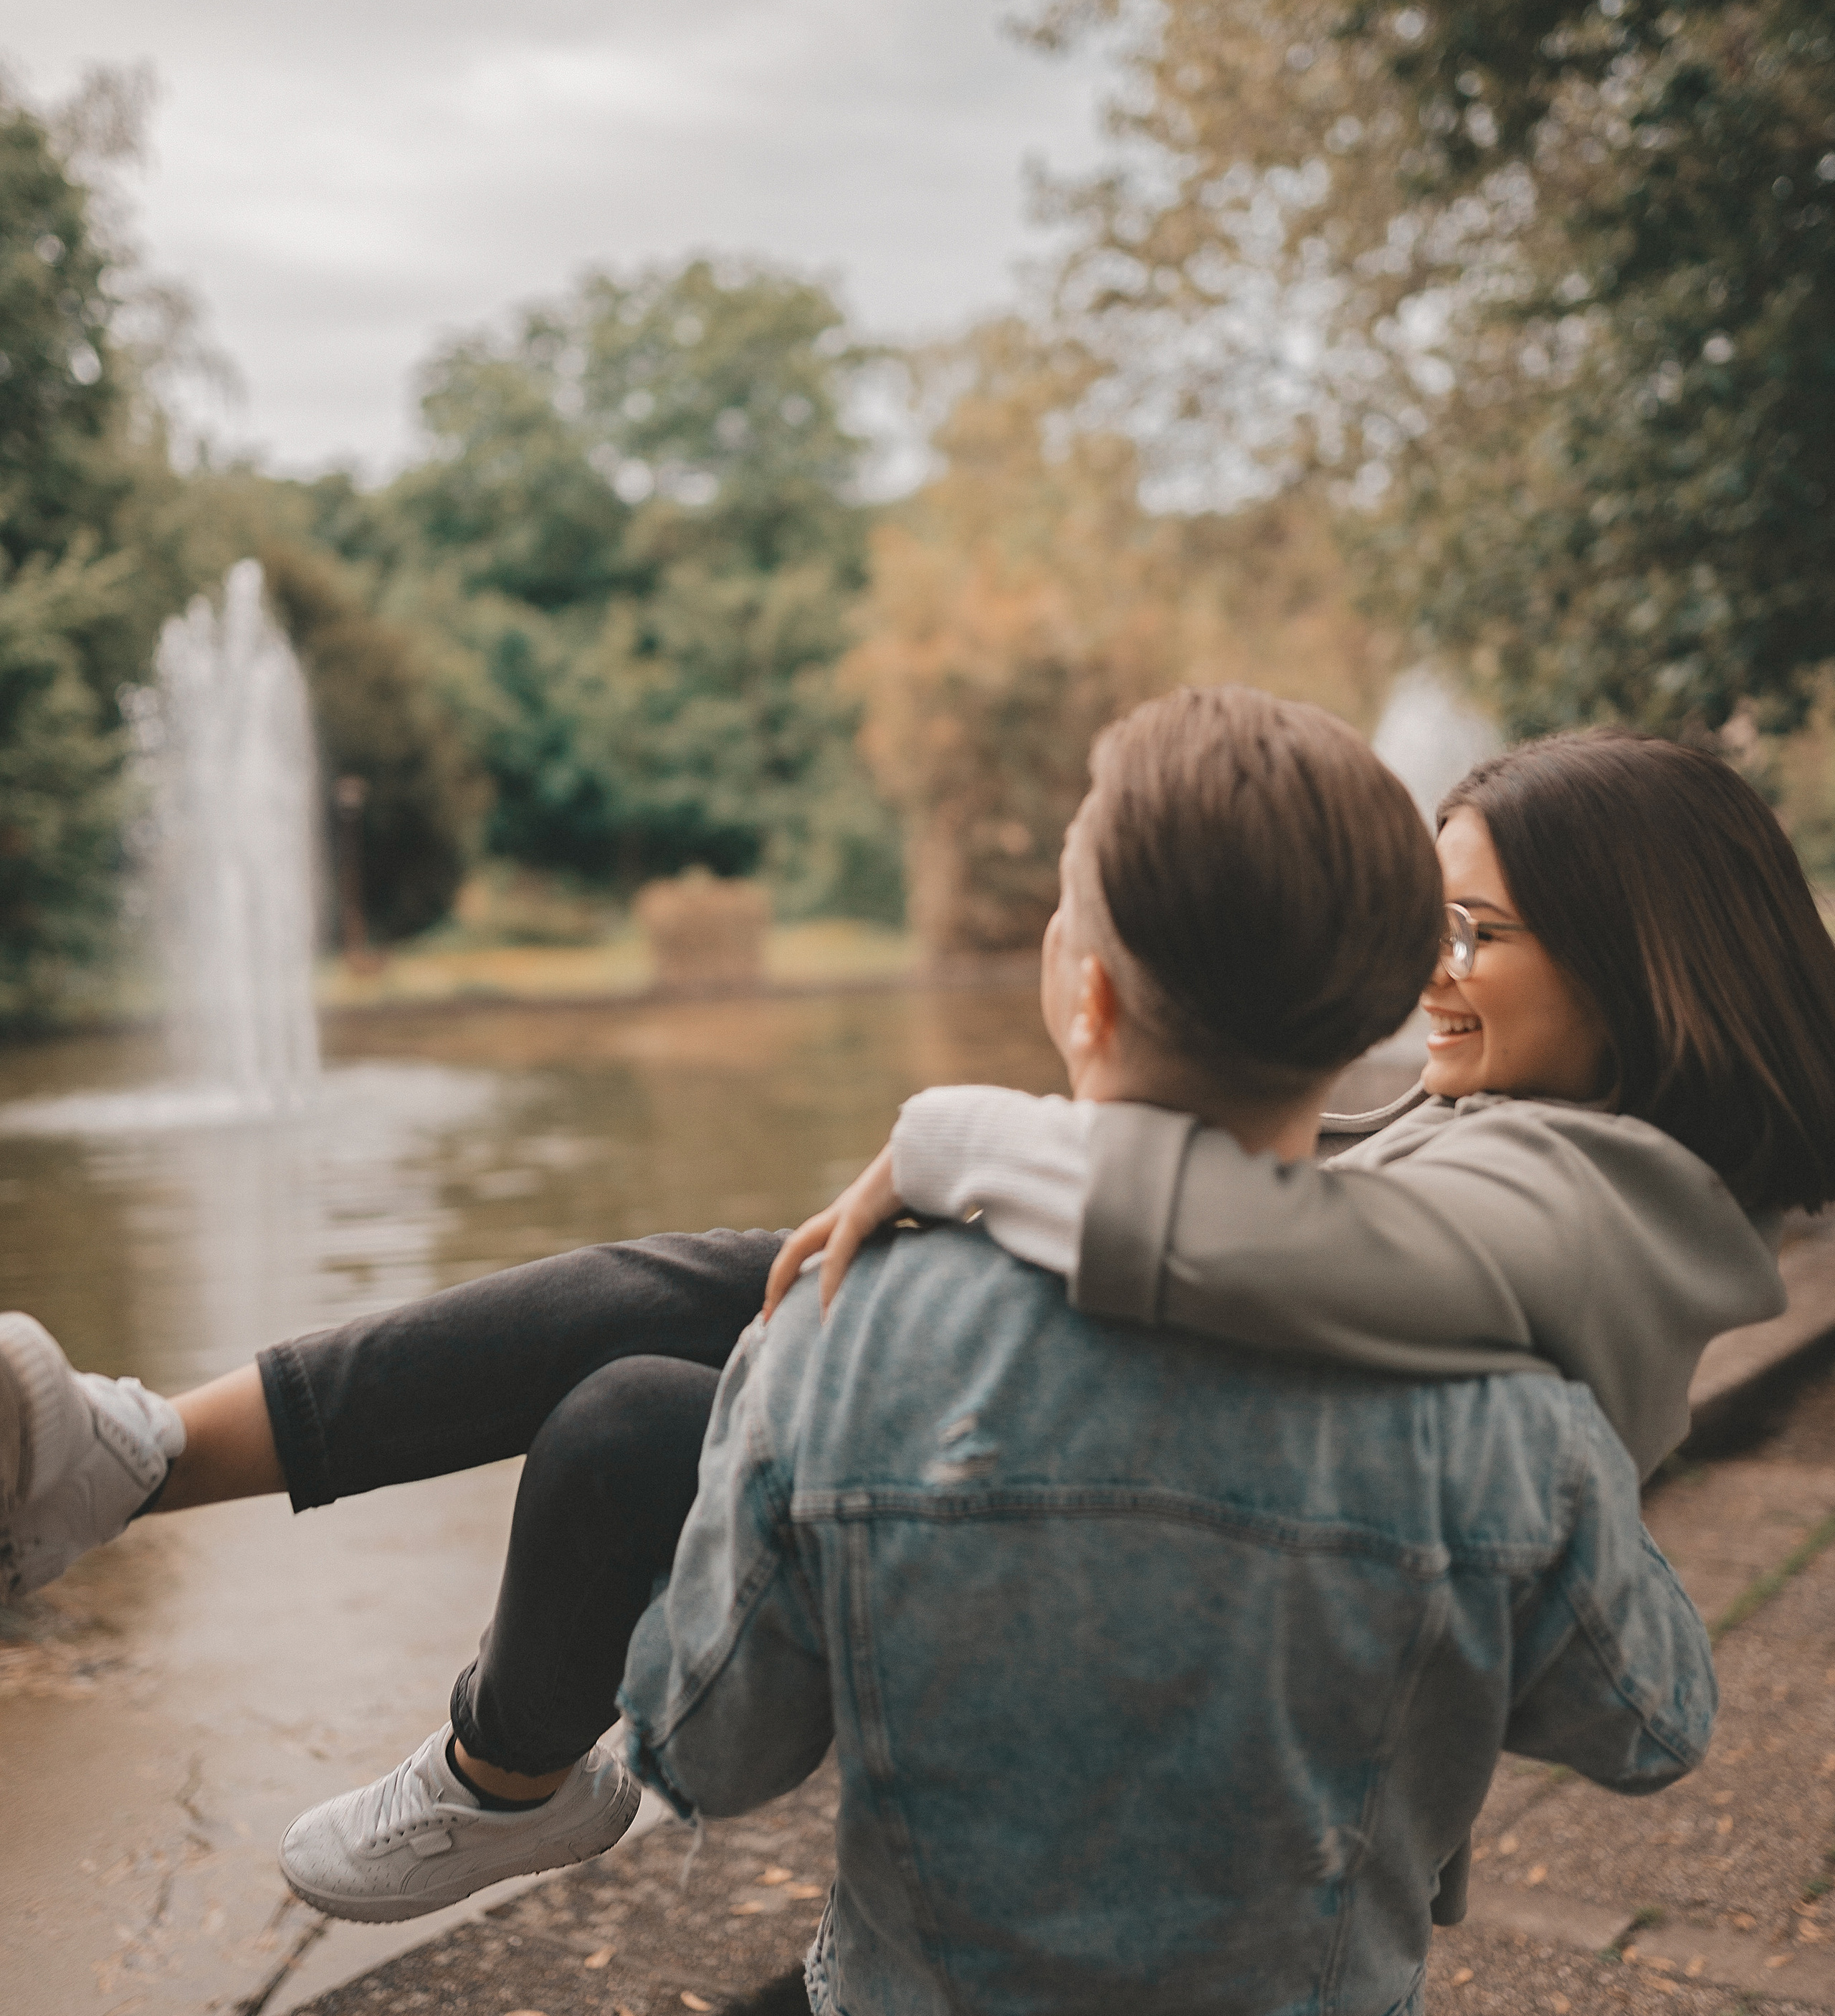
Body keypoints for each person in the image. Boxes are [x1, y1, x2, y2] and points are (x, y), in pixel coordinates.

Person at [0, 718, 1829, 1920]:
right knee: (704, 1277)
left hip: (1209, 1525)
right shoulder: (1540, 1129)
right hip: (1173, 1429)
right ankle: (132, 1453)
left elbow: (1276, 1257)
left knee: (648, 1411)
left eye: (1474, 931)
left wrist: (951, 1135)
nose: (1433, 972)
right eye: (1430, 922)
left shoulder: (1606, 1201)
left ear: (1641, 957)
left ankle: (513, 1768)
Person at [614, 684, 1717, 2016]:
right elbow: (1646, 1725)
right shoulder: (1496, 1382)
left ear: (1086, 988)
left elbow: (705, 1746)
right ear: (1375, 1007)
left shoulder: (846, 1337)